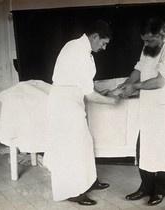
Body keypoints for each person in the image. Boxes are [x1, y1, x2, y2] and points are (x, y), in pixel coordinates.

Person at [43, 20, 118, 205]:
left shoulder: (82, 49)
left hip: (72, 102)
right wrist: (113, 100)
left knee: (84, 142)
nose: (104, 47)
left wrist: (103, 93)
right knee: (71, 148)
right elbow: (90, 96)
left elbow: (85, 84)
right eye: (103, 43)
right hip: (64, 105)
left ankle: (89, 182)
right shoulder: (78, 52)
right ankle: (74, 192)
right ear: (94, 37)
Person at [117, 17, 165, 206]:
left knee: (164, 150)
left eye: (149, 40)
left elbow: (160, 81)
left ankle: (160, 190)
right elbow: (139, 68)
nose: (146, 44)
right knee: (144, 148)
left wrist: (134, 88)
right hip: (149, 107)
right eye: (144, 40)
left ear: (162, 34)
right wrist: (125, 84)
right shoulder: (150, 46)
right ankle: (145, 187)